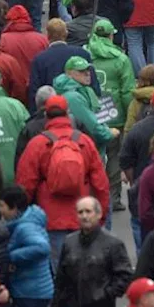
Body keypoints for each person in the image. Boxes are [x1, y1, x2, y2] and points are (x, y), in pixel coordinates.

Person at [15, 95, 110, 259]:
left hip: (50, 218)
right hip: (82, 215)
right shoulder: (84, 141)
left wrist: (25, 219)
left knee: (60, 272)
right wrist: (100, 216)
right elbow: (101, 184)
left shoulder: (37, 144)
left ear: (46, 115)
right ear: (68, 114)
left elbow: (25, 185)